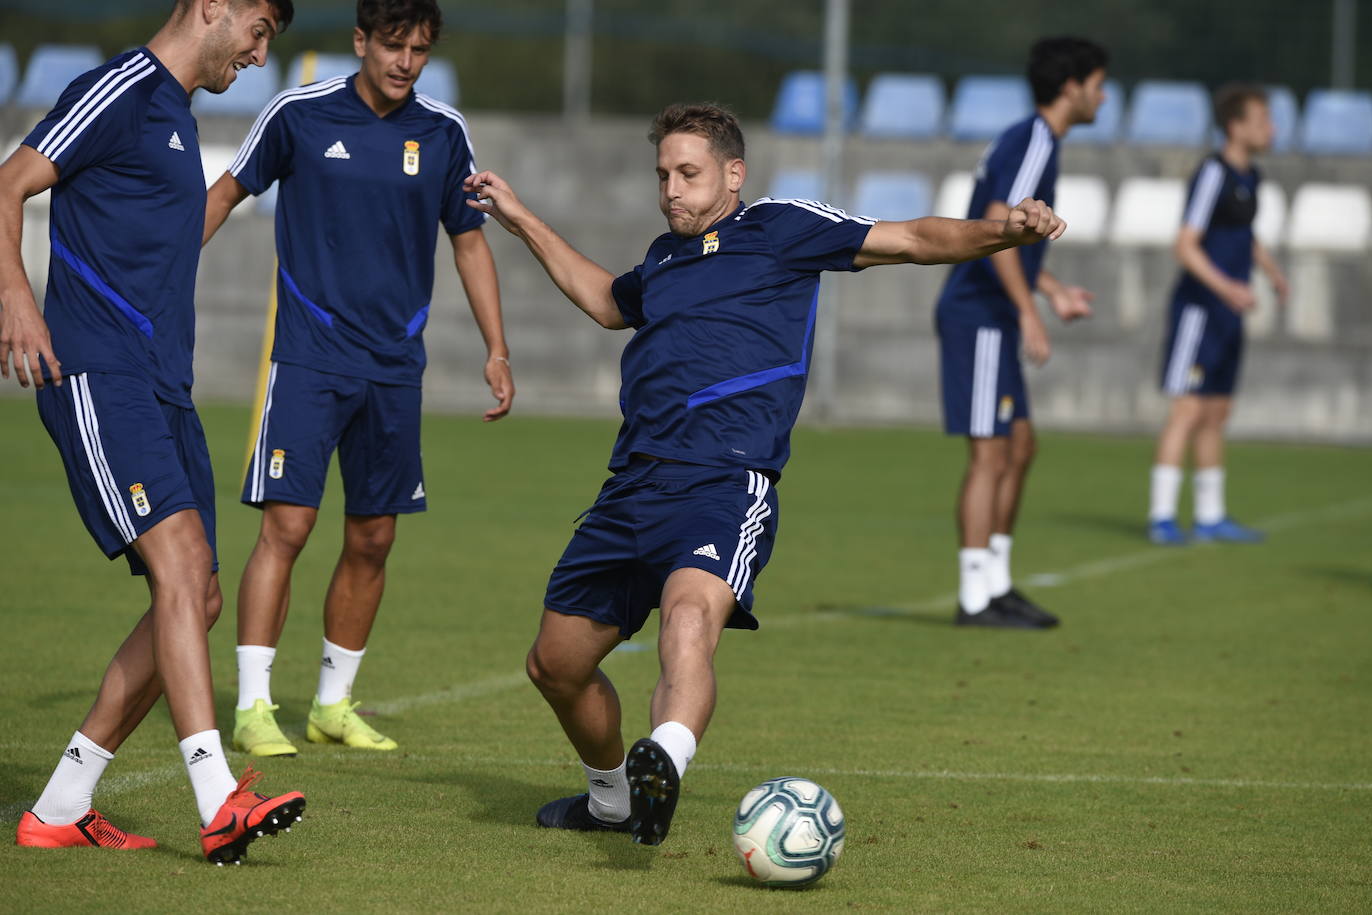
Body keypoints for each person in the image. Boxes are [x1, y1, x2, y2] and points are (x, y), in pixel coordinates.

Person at [466, 102, 1065, 846]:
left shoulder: (779, 228)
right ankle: (614, 799)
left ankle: (667, 759)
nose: (671, 190)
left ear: (733, 174)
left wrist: (1004, 231)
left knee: (689, 621)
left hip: (724, 480)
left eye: (688, 174)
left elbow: (912, 237)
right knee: (554, 663)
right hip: (631, 486)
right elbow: (604, 301)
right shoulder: (662, 257)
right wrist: (520, 217)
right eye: (663, 175)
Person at [0, 0, 304, 865]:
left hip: (166, 390)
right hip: (99, 375)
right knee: (177, 565)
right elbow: (5, 183)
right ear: (211, 7)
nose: (258, 51)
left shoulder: (178, 114)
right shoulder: (121, 88)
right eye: (257, 29)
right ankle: (218, 799)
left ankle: (61, 802)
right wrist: (17, 299)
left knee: (199, 595)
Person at [202, 0, 513, 758]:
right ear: (360, 42)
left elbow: (469, 243)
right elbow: (224, 193)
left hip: (395, 368)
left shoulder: (443, 133)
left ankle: (333, 704)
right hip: (308, 358)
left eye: (419, 50)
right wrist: (160, 273)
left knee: (373, 535)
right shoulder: (296, 114)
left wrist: (496, 349)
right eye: (393, 46)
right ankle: (251, 707)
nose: (405, 62)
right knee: (288, 526)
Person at [933, 37, 1107, 629]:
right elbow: (1004, 225)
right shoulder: (1035, 138)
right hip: (978, 314)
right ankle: (975, 597)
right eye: (1098, 83)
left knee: (1021, 447)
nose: (1103, 95)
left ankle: (998, 583)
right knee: (989, 454)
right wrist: (1029, 311)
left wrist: (1050, 288)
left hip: (994, 313)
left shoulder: (1033, 139)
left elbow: (1009, 234)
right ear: (1072, 87)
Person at [1147, 84, 1286, 544]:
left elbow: (1245, 235)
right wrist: (1227, 286)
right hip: (1199, 311)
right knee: (1186, 410)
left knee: (1217, 412)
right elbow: (1185, 245)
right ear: (1236, 126)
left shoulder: (1253, 177)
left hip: (1228, 313)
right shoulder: (1212, 173)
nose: (1272, 129)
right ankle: (1162, 515)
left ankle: (1210, 516)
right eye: (1263, 120)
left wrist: (1270, 272)